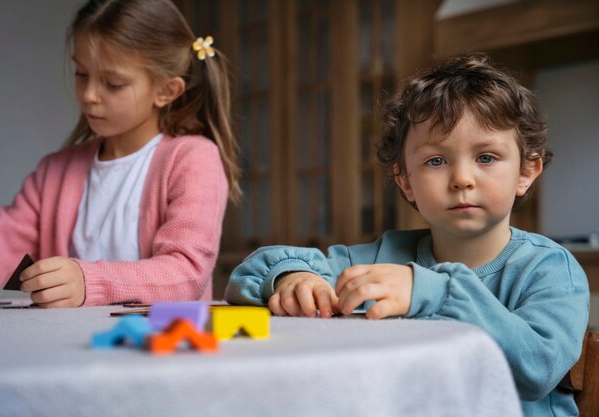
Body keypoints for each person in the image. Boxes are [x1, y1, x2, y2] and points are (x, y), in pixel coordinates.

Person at [225, 53, 589, 417]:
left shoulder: (550, 269)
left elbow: (539, 367)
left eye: (486, 157)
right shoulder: (382, 257)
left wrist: (434, 292)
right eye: (436, 161)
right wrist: (292, 277)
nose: (462, 178)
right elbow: (254, 272)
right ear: (405, 181)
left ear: (527, 170)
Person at [0, 0, 240, 308]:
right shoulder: (55, 172)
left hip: (160, 350)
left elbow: (186, 272)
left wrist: (87, 281)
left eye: (113, 84)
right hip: (67, 349)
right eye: (81, 74)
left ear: (166, 91)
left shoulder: (193, 159)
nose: (88, 95)